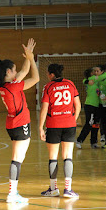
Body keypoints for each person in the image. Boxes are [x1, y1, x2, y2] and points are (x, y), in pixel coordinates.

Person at [0, 38, 38, 203]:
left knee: (16, 157)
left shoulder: (5, 86)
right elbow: (34, 78)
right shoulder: (14, 86)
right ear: (7, 72)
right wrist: (32, 58)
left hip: (12, 124)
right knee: (17, 159)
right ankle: (12, 194)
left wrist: (28, 56)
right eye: (13, 70)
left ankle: (13, 192)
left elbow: (23, 71)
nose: (16, 72)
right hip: (21, 124)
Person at [39, 63, 81, 198]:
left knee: (53, 157)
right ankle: (68, 189)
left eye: (47, 73)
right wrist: (73, 119)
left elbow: (44, 108)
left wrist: (40, 127)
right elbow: (78, 104)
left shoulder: (48, 87)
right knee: (68, 156)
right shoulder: (70, 84)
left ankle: (53, 189)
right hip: (69, 124)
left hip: (53, 125)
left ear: (51, 74)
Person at [76, 67, 106, 149]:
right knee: (89, 123)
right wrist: (103, 72)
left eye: (97, 71)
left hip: (97, 105)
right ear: (91, 74)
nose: (96, 72)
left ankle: (93, 142)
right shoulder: (92, 78)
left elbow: (85, 81)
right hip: (90, 105)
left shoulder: (95, 81)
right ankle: (79, 140)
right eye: (94, 71)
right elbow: (103, 76)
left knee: (96, 124)